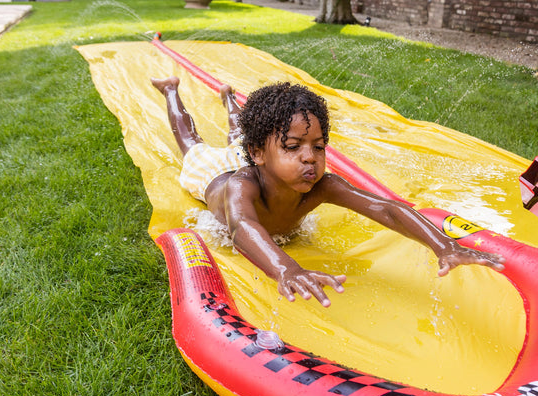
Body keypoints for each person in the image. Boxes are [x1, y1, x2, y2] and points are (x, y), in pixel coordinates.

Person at [151, 76, 505, 307]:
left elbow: (385, 209)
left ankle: (228, 100)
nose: (310, 158)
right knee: (192, 144)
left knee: (240, 136)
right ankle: (170, 89)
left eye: (318, 147)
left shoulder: (322, 186)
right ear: (259, 155)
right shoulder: (239, 186)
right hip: (213, 175)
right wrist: (286, 268)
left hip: (256, 151)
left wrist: (443, 245)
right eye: (294, 147)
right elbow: (243, 228)